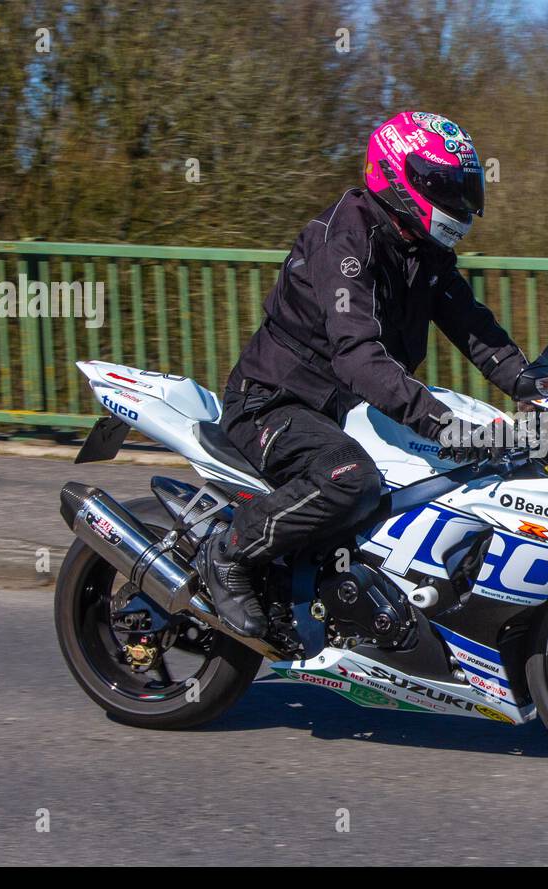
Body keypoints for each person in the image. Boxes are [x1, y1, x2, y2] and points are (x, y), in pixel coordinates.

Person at [198, 111, 530, 640]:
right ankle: (230, 549)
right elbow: (357, 357)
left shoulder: (423, 250)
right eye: (447, 187)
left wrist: (531, 382)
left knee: (449, 476)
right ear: (400, 179)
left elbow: (471, 324)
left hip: (340, 411)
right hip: (272, 404)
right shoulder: (346, 240)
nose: (460, 202)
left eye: (464, 188)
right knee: (350, 478)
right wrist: (444, 424)